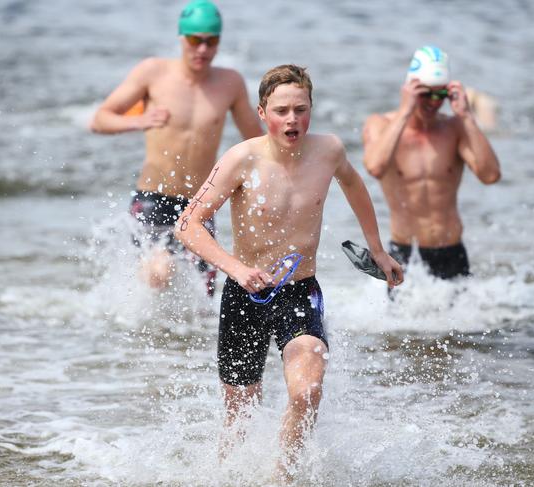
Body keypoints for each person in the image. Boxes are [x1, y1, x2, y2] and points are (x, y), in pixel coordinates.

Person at [175, 64, 403, 478]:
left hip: (300, 291)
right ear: (262, 113)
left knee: (308, 387)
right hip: (245, 295)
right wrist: (237, 269)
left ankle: (285, 474)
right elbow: (188, 222)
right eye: (281, 110)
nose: (292, 119)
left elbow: (353, 184)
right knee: (240, 413)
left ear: (311, 108)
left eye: (301, 109)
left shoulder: (329, 150)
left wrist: (377, 249)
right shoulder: (241, 159)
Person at [90, 0, 263, 294]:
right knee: (159, 272)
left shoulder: (230, 83)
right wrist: (140, 121)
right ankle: (142, 332)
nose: (203, 50)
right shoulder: (153, 72)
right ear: (182, 38)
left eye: (211, 41)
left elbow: (256, 142)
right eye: (196, 40)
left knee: (202, 296)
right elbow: (100, 119)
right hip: (153, 198)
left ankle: (181, 340)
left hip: (200, 204)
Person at [363, 45, 501, 280]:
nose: (433, 102)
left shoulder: (455, 128)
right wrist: (406, 111)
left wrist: (466, 117)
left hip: (451, 252)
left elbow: (490, 176)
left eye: (440, 95)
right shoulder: (380, 124)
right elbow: (375, 167)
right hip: (404, 253)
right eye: (425, 94)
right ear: (409, 90)